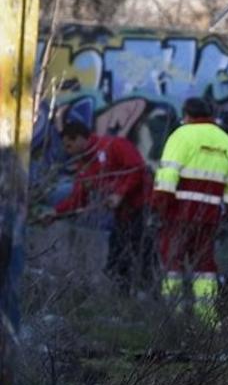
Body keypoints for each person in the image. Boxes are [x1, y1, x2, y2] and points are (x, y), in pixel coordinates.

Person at [152, 97, 228, 325]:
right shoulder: (227, 142)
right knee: (204, 267)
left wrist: (159, 207)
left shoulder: (181, 135)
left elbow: (167, 176)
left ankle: (173, 319)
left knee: (172, 263)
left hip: (178, 213)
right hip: (210, 217)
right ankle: (207, 321)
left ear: (187, 115)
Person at [49, 119, 151, 288]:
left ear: (80, 139)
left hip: (143, 209)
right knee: (117, 262)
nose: (68, 152)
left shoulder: (115, 145)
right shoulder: (84, 166)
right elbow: (77, 198)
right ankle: (124, 299)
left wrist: (119, 194)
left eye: (69, 146)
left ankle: (147, 296)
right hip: (122, 215)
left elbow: (136, 170)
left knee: (142, 257)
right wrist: (55, 213)